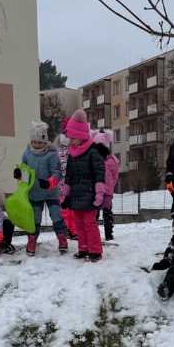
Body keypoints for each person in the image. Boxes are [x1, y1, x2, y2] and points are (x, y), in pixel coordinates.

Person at [60, 109, 106, 262]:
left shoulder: (93, 153)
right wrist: (65, 195)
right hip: (75, 196)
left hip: (89, 196)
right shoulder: (72, 154)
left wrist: (99, 193)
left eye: (73, 137)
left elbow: (99, 174)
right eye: (70, 137)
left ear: (81, 136)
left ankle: (95, 250)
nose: (71, 141)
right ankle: (83, 248)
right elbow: (68, 176)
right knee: (79, 225)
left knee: (90, 224)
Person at [15, 120, 66, 256]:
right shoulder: (27, 154)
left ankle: (62, 238)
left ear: (46, 141)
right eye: (34, 142)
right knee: (34, 219)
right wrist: (19, 174)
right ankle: (32, 240)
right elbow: (24, 170)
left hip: (50, 193)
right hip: (34, 193)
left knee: (56, 216)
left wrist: (50, 183)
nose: (37, 145)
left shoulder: (52, 155)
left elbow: (57, 173)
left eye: (40, 142)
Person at [92, 129, 120, 241]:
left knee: (104, 213)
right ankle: (97, 233)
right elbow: (115, 176)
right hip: (97, 190)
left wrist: (110, 185)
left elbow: (115, 175)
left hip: (104, 191)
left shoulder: (111, 161)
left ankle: (107, 233)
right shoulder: (95, 159)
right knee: (98, 213)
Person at [54, 132, 76, 239]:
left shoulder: (56, 153)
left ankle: (67, 230)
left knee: (65, 211)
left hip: (61, 187)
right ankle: (72, 231)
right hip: (69, 186)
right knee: (71, 210)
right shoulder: (73, 151)